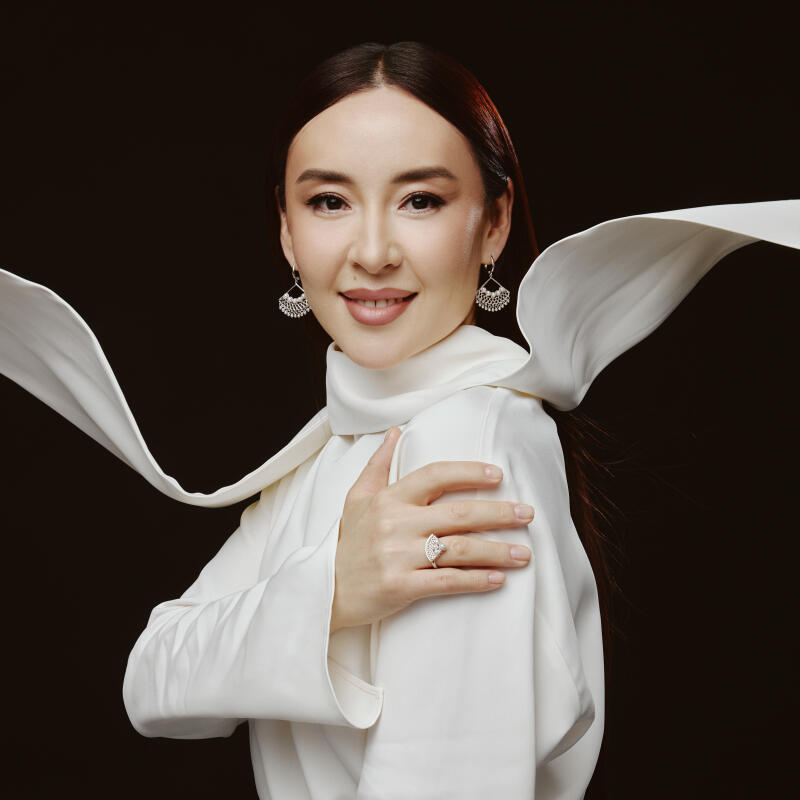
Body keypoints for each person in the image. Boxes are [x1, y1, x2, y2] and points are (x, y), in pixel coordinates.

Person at [0, 41, 797, 799]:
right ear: (285, 229)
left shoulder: (466, 442)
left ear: (493, 223)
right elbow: (153, 680)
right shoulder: (337, 449)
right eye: (329, 201)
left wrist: (311, 606)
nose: (373, 250)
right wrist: (334, 592)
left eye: (420, 199)